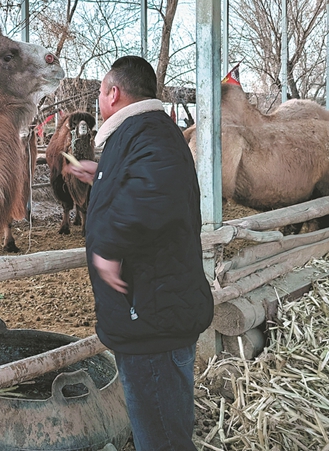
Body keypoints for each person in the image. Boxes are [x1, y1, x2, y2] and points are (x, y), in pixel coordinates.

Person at [67, 56, 213, 450]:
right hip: (154, 309)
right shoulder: (147, 133)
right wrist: (98, 174)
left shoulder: (146, 133)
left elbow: (153, 195)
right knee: (161, 423)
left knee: (161, 437)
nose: (99, 100)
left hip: (152, 319)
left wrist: (109, 247)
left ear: (113, 93)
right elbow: (145, 181)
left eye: (100, 91)